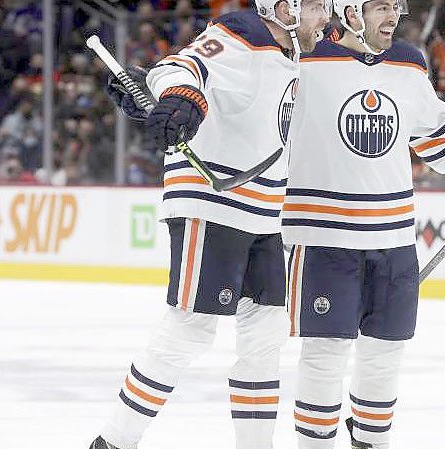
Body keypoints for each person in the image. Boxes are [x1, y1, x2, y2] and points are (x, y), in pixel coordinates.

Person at [282, 1, 445, 447]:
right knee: (325, 356)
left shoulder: (409, 64)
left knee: (384, 355)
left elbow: (439, 140)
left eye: (396, 5)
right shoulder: (303, 61)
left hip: (394, 240)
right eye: (381, 6)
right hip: (322, 237)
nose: (394, 14)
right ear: (350, 12)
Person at [89, 1, 330, 448]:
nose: (326, 16)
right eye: (317, 6)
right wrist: (181, 96)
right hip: (213, 202)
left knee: (264, 338)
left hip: (264, 212)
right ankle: (114, 441)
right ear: (284, 9)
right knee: (190, 329)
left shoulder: (292, 55)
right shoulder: (245, 30)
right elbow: (179, 67)